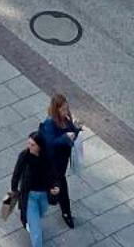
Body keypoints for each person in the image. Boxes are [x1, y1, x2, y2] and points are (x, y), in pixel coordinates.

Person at [3, 132, 55, 246]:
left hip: (44, 194)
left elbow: (54, 174)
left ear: (40, 146)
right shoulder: (24, 156)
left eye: (33, 145)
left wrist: (55, 187)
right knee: (36, 229)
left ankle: (27, 219)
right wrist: (14, 189)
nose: (29, 147)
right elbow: (16, 174)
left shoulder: (47, 157)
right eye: (29, 144)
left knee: (41, 212)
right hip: (30, 194)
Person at [38, 94, 80, 227]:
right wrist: (65, 137)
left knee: (57, 185)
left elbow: (71, 134)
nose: (66, 112)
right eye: (62, 109)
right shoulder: (49, 123)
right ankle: (66, 212)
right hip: (53, 163)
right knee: (59, 186)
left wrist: (76, 128)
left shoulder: (66, 119)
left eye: (66, 109)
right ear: (56, 110)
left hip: (62, 161)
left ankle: (59, 204)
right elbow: (50, 143)